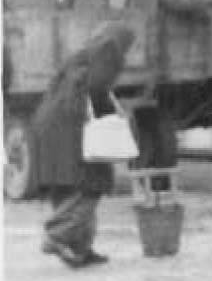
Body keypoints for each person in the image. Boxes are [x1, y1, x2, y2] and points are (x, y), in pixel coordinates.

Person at [29, 22, 136, 267]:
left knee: (66, 187)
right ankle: (57, 235)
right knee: (90, 185)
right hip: (72, 125)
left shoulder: (83, 53)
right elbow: (97, 87)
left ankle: (80, 250)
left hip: (49, 122)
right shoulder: (109, 50)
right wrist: (112, 116)